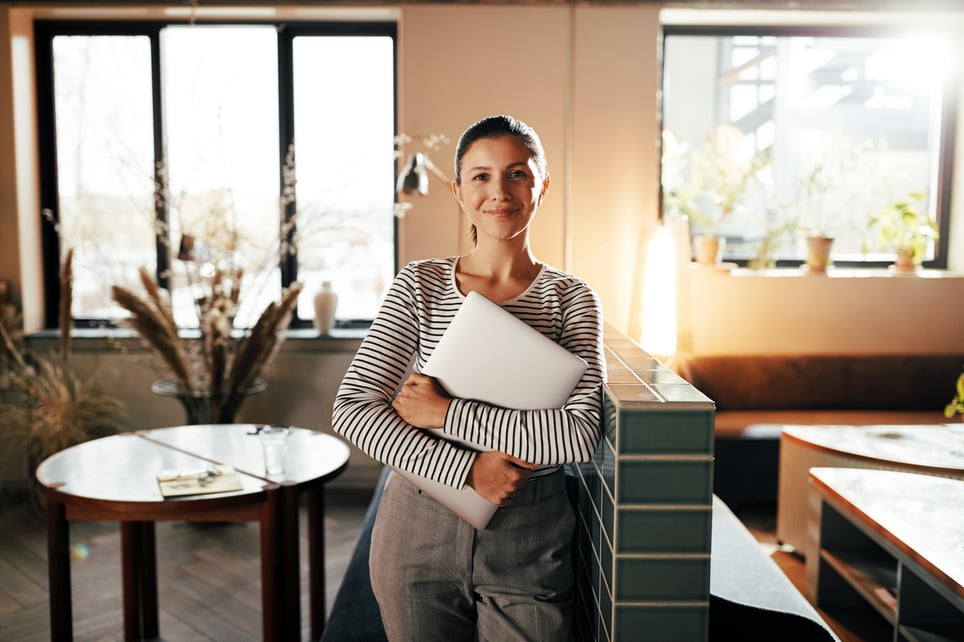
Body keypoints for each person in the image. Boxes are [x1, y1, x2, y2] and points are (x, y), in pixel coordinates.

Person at [332, 114, 606, 642]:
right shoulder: (420, 284)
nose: (498, 192)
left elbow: (578, 434)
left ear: (541, 185)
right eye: (480, 176)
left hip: (530, 536)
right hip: (415, 526)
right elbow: (354, 409)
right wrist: (468, 470)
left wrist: (444, 413)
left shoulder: (572, 299)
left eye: (517, 174)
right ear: (459, 192)